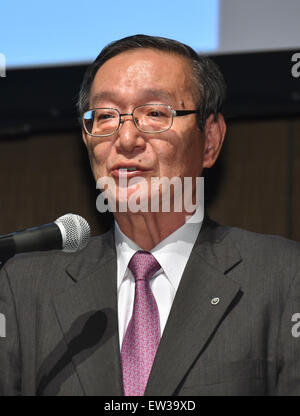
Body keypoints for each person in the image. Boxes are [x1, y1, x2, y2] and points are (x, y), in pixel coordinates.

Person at [1, 34, 300, 396]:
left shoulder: (284, 277)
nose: (126, 139)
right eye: (106, 116)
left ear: (210, 141)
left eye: (155, 113)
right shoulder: (23, 288)